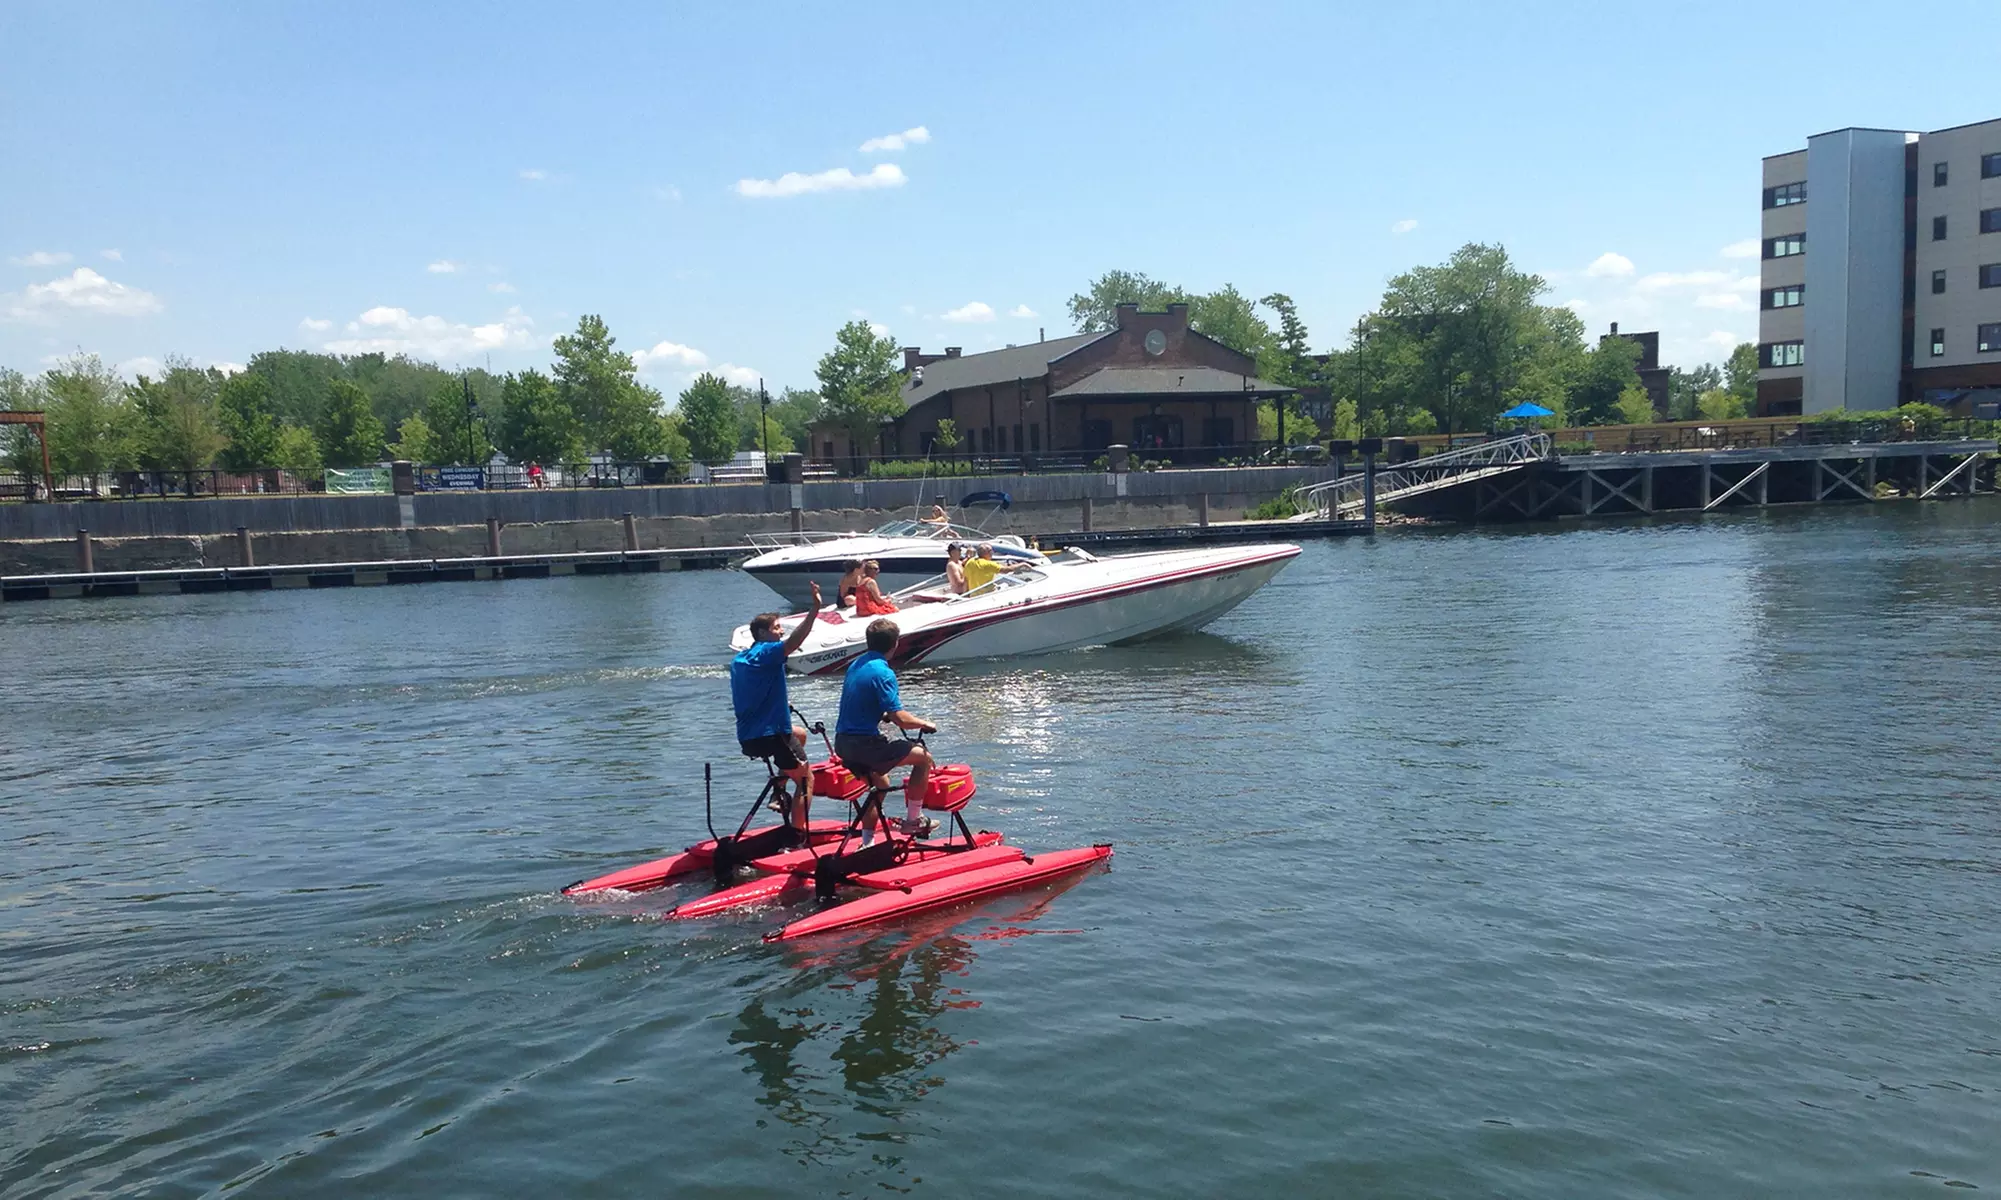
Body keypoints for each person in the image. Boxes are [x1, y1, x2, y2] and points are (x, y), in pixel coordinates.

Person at [730, 582, 821, 834]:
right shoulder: (768, 653)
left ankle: (778, 792)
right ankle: (797, 837)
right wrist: (814, 609)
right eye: (777, 628)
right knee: (806, 780)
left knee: (800, 734)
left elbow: (752, 689)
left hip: (748, 738)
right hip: (772, 735)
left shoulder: (741, 659)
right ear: (761, 634)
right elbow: (795, 641)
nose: (781, 632)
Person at [834, 618, 938, 837]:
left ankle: (867, 841)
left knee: (880, 784)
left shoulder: (856, 665)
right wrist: (925, 723)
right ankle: (913, 820)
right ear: (895, 644)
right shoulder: (884, 672)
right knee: (923, 758)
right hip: (865, 745)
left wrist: (881, 714)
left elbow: (861, 702)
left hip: (843, 743)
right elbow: (901, 719)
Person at [962, 542, 1030, 592]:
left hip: (974, 596)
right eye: (991, 551)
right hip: (987, 595)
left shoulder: (970, 562)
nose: (993, 552)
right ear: (986, 553)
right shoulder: (987, 564)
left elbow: (966, 580)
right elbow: (1005, 570)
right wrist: (1022, 564)